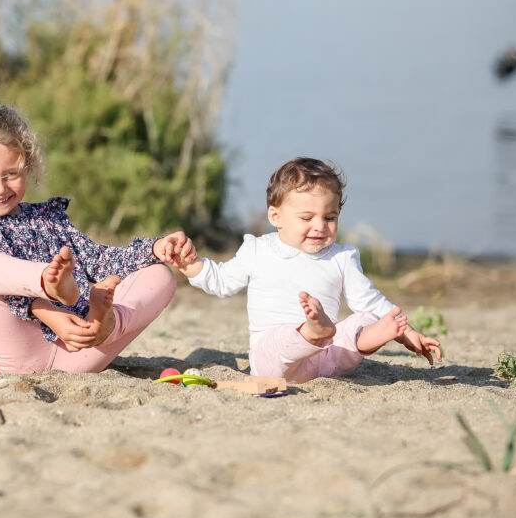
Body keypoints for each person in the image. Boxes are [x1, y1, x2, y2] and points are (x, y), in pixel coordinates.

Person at [0, 104, 196, 374]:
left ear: (28, 166)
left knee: (159, 275)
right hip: (15, 356)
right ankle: (48, 282)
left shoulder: (48, 220)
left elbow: (99, 259)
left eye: (11, 173)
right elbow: (0, 287)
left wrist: (155, 248)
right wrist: (48, 308)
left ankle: (108, 325)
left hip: (80, 348)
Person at [175, 157, 442, 383]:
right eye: (306, 218)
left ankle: (368, 336)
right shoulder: (257, 250)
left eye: (330, 218)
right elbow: (222, 281)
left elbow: (369, 300)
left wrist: (405, 331)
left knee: (362, 319)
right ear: (275, 217)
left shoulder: (342, 257)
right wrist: (192, 266)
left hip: (329, 358)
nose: (320, 226)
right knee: (273, 347)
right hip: (280, 363)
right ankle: (312, 331)